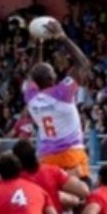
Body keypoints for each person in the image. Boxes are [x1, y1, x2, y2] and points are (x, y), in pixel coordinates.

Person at [24, 19, 93, 179]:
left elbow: (32, 73)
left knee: (54, 197)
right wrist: (62, 37)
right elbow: (83, 64)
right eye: (52, 70)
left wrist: (38, 45)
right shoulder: (62, 92)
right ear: (52, 77)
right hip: (71, 153)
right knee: (80, 194)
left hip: (47, 156)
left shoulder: (31, 97)